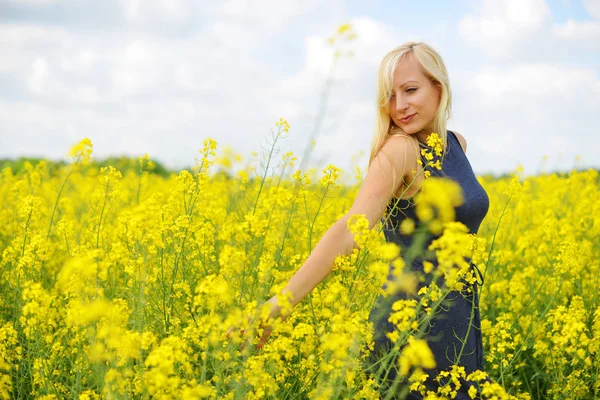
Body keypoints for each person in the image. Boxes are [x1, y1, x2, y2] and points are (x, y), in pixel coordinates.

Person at [227, 41, 490, 399]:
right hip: (411, 324)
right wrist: (280, 304)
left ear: (438, 87)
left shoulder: (456, 144)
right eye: (390, 96)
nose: (399, 106)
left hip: (460, 317)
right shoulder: (400, 151)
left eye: (410, 90)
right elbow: (350, 230)